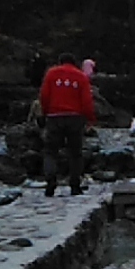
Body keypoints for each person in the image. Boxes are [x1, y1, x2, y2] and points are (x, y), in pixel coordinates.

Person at [38, 52, 95, 196]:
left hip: (54, 116)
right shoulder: (80, 76)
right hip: (75, 118)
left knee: (50, 152)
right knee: (75, 153)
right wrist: (90, 119)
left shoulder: (51, 74)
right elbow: (87, 101)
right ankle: (75, 185)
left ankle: (51, 180)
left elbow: (44, 96)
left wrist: (44, 113)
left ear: (60, 61)